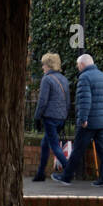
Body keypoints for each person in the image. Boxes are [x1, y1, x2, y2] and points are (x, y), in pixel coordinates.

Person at [51, 53, 103, 187]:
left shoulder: (85, 77)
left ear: (82, 65)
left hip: (89, 122)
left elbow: (85, 101)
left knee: (78, 150)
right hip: (102, 121)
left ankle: (66, 177)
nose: (78, 68)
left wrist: (83, 118)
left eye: (78, 65)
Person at [31, 53, 70, 181]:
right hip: (61, 117)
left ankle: (69, 169)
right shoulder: (63, 79)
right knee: (44, 144)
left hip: (50, 118)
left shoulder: (47, 79)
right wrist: (65, 116)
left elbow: (42, 101)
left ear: (48, 65)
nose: (42, 67)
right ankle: (40, 173)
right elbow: (68, 101)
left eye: (43, 64)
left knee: (54, 145)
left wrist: (37, 117)